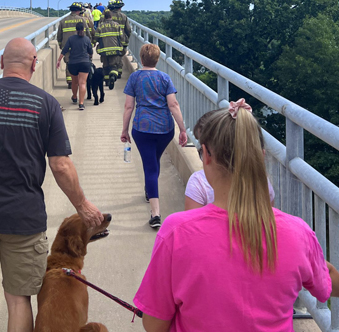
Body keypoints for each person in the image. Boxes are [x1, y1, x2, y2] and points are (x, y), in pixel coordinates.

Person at [134, 99, 339, 331]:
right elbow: (326, 281)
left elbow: (154, 324)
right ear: (261, 157)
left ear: (206, 155)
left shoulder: (176, 232)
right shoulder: (298, 233)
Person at [0, 37, 103, 332]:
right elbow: (60, 165)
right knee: (18, 298)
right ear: (34, 64)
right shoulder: (46, 104)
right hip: (23, 216)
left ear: (2, 62)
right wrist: (82, 205)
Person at [120, 43, 187, 228]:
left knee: (150, 167)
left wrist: (124, 130)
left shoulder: (134, 78)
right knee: (153, 161)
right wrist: (182, 129)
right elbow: (173, 105)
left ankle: (155, 214)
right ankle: (150, 190)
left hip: (142, 129)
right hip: (165, 129)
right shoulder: (165, 78)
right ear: (157, 59)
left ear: (141, 59)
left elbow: (128, 106)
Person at [184, 110, 276, 210]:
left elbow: (192, 214)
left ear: (206, 154)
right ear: (260, 156)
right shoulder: (263, 183)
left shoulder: (198, 182)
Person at [57, 22, 93, 110]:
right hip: (84, 63)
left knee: (74, 82)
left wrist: (59, 60)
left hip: (73, 63)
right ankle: (81, 104)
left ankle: (74, 97)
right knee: (82, 83)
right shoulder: (87, 39)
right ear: (83, 29)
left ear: (76, 30)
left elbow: (64, 50)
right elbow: (91, 51)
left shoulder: (71, 39)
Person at [57, 2, 93, 89]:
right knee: (79, 62)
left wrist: (61, 45)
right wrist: (89, 43)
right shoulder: (82, 20)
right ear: (78, 11)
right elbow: (88, 33)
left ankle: (70, 82)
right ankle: (79, 81)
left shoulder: (63, 20)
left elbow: (59, 35)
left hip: (67, 46)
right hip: (80, 46)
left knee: (69, 63)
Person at [95, 10, 124, 90]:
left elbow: (96, 37)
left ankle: (107, 81)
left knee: (106, 66)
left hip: (104, 50)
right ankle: (113, 76)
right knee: (114, 66)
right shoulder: (117, 25)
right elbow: (121, 37)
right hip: (115, 49)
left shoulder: (100, 26)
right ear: (111, 16)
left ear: (104, 17)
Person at [109, 0, 131, 79]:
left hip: (110, 39)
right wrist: (126, 39)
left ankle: (110, 71)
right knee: (119, 56)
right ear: (120, 7)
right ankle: (119, 72)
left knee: (110, 56)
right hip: (121, 40)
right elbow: (128, 30)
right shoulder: (124, 16)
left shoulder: (108, 15)